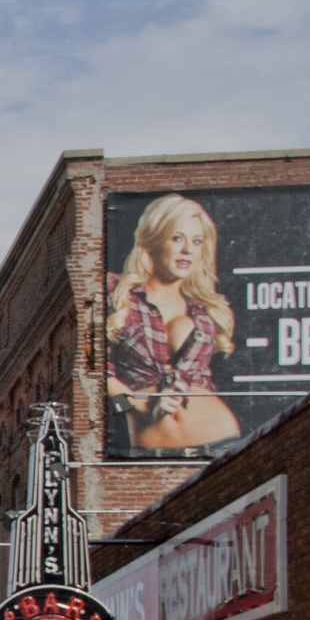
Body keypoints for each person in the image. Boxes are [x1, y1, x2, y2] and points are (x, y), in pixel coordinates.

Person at [105, 193, 241, 454]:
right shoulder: (116, 295)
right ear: (155, 239)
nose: (188, 250)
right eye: (177, 238)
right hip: (151, 452)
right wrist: (140, 404)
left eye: (197, 241)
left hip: (224, 443)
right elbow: (98, 381)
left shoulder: (205, 309)